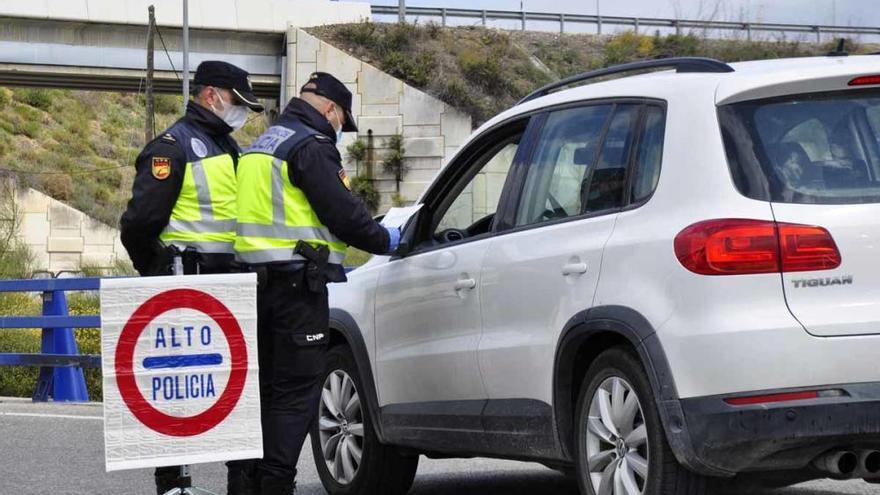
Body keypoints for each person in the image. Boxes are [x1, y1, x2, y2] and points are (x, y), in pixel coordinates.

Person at [230, 72, 399, 495]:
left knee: (261, 392)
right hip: (295, 290)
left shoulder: (261, 145)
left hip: (252, 288)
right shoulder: (311, 146)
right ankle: (277, 487)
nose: (340, 130)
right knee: (294, 397)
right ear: (329, 110)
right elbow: (344, 215)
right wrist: (388, 239)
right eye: (342, 120)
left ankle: (244, 485)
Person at [119, 60, 264, 495]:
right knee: (174, 388)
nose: (240, 111)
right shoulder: (172, 146)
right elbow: (141, 223)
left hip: (230, 286)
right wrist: (158, 272)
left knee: (233, 388)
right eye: (236, 103)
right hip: (183, 285)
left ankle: (241, 483)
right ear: (211, 95)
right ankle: (173, 484)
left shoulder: (229, 148)